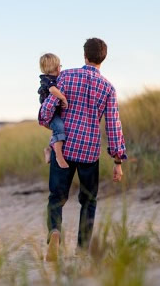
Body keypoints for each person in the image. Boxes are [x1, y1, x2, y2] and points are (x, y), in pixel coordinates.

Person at [39, 38, 127, 261]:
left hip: (65, 148)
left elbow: (46, 111)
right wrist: (117, 162)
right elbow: (114, 126)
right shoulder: (108, 88)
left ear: (85, 56)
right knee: (88, 201)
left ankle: (55, 232)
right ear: (103, 58)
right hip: (89, 152)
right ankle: (82, 250)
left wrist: (46, 116)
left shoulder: (66, 76)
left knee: (56, 198)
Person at [37, 53, 69, 168]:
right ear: (57, 67)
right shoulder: (48, 80)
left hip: (55, 112)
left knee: (58, 130)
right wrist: (63, 98)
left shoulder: (55, 78)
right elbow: (52, 90)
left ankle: (49, 149)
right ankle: (58, 156)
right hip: (49, 114)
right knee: (59, 127)